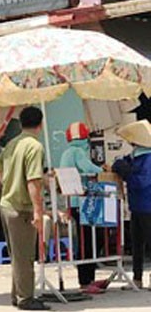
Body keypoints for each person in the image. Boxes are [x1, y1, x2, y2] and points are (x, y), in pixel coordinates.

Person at [0, 106, 48, 311]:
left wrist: (8, 184)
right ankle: (26, 298)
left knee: (17, 254)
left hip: (6, 204)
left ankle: (18, 294)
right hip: (21, 207)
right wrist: (38, 211)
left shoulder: (12, 144)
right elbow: (34, 181)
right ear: (40, 124)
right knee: (25, 256)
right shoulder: (34, 147)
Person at [58, 122, 106, 294]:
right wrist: (102, 169)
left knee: (88, 239)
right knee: (90, 240)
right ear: (85, 137)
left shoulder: (66, 152)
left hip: (74, 204)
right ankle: (85, 281)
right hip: (83, 204)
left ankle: (89, 278)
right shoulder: (78, 152)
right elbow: (87, 168)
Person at [112, 120, 151, 289]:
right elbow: (118, 164)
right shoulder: (135, 156)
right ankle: (137, 278)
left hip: (147, 205)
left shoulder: (148, 158)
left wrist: (127, 173)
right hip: (137, 206)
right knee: (137, 244)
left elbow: (142, 182)